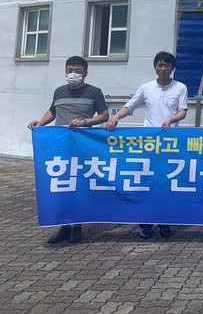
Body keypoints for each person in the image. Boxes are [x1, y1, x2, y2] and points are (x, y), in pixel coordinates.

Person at [106, 51, 188, 240]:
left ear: (172, 68)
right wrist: (116, 117)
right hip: (148, 145)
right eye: (160, 65)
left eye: (167, 65)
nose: (163, 69)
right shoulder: (146, 88)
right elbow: (130, 106)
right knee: (146, 184)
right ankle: (145, 224)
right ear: (155, 67)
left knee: (165, 184)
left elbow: (183, 111)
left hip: (169, 144)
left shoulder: (180, 87)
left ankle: (164, 223)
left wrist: (171, 119)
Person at [28, 56, 109, 244]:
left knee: (78, 185)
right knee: (62, 184)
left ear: (85, 73)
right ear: (65, 71)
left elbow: (104, 115)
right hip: (60, 146)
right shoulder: (59, 91)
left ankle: (77, 227)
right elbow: (53, 111)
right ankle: (64, 226)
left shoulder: (94, 92)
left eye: (78, 71)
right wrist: (40, 123)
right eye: (70, 70)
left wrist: (85, 121)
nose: (73, 74)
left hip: (82, 146)